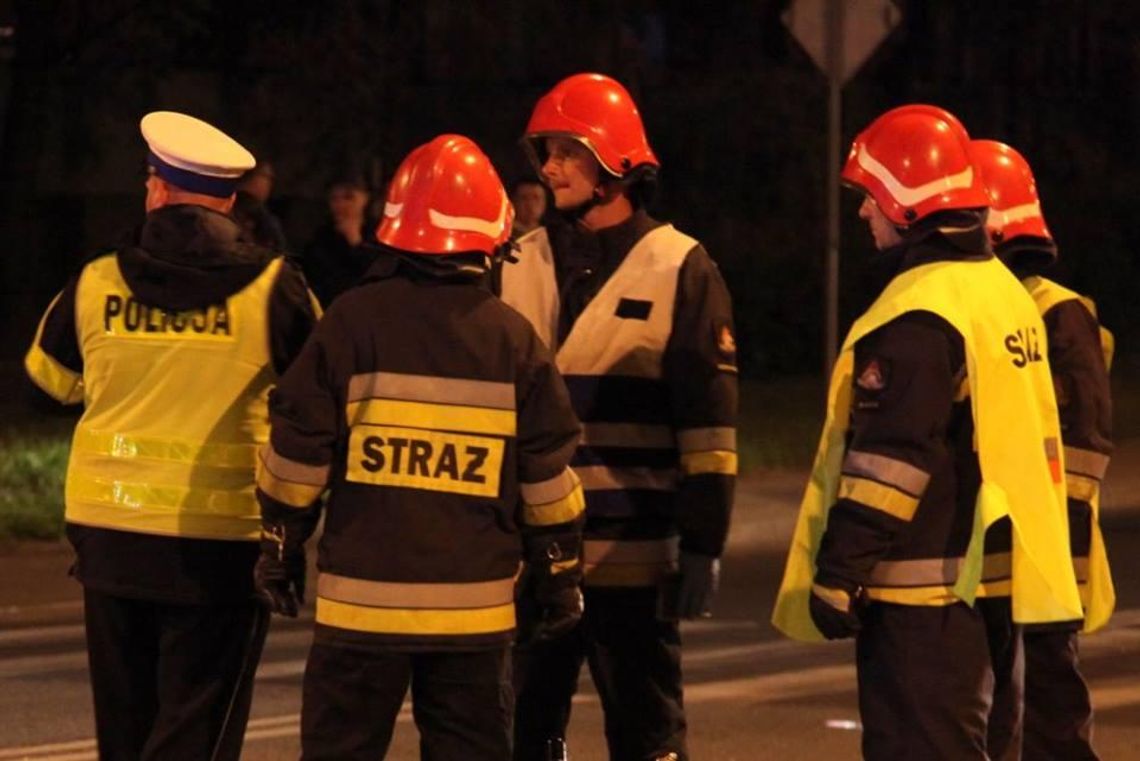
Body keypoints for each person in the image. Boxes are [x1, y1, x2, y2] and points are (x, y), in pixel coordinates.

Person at [253, 134, 586, 760]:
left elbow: (296, 458)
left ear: (395, 230)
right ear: (493, 241)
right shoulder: (512, 341)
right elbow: (547, 481)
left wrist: (280, 547)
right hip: (474, 619)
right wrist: (559, 576)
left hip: (360, 611)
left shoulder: (349, 322)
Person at [771, 104, 1083, 761]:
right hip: (992, 583)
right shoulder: (1000, 291)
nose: (863, 213)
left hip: (923, 594)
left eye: (871, 197)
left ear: (909, 202)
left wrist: (839, 571)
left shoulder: (921, 311)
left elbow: (893, 459)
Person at [23, 110, 320, 761]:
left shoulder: (95, 280)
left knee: (126, 731)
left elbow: (47, 385)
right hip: (220, 549)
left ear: (157, 189)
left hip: (110, 540)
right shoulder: (275, 289)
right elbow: (321, 404)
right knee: (197, 731)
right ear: (232, 199)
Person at [499, 72, 738, 761]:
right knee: (520, 733)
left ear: (618, 164)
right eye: (546, 152)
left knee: (648, 737)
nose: (549, 168)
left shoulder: (679, 267)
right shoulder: (515, 261)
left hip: (632, 561)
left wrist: (704, 542)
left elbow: (710, 428)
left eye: (568, 151)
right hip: (532, 560)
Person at [971, 139, 1114, 761]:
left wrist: (1062, 569)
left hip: (1046, 559)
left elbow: (1081, 457)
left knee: (1051, 719)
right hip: (1000, 557)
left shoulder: (1058, 314)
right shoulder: (986, 306)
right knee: (1003, 716)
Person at [300, 172, 379, 308]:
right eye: (334, 199)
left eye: (349, 197)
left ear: (365, 198)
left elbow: (376, 273)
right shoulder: (321, 238)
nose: (340, 204)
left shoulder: (378, 232)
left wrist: (355, 242)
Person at [232, 161, 289, 250]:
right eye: (265, 176)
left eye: (271, 178)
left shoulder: (267, 218)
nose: (268, 183)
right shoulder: (230, 207)